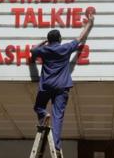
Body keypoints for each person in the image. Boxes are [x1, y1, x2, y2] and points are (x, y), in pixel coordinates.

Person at [30, 13, 95, 150]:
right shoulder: (65, 48)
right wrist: (89, 23)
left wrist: (43, 42)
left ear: (49, 40)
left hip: (46, 85)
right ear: (59, 39)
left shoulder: (44, 50)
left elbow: (32, 50)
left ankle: (43, 114)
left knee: (38, 107)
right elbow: (80, 38)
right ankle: (56, 145)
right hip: (62, 86)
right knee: (58, 116)